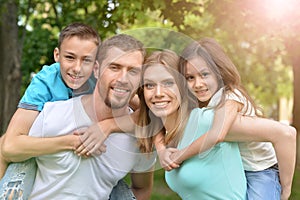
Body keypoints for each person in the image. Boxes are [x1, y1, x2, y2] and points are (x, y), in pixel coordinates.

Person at [0, 23, 137, 199]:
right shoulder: (45, 82)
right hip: (40, 152)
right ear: (57, 55)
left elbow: (147, 115)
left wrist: (108, 126)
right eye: (70, 58)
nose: (77, 68)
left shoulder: (104, 81)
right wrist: (72, 142)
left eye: (86, 60)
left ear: (96, 64)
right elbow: (11, 145)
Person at [155, 38, 296, 200]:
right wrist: (160, 149)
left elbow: (217, 134)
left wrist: (286, 189)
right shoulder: (200, 104)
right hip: (237, 169)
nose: (198, 84)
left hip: (260, 171)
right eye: (190, 78)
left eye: (204, 74)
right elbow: (155, 120)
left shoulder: (229, 98)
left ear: (219, 72)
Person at [136, 50, 247, 199]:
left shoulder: (207, 120)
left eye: (168, 83)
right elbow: (132, 114)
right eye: (149, 85)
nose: (158, 93)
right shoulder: (166, 132)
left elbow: (280, 131)